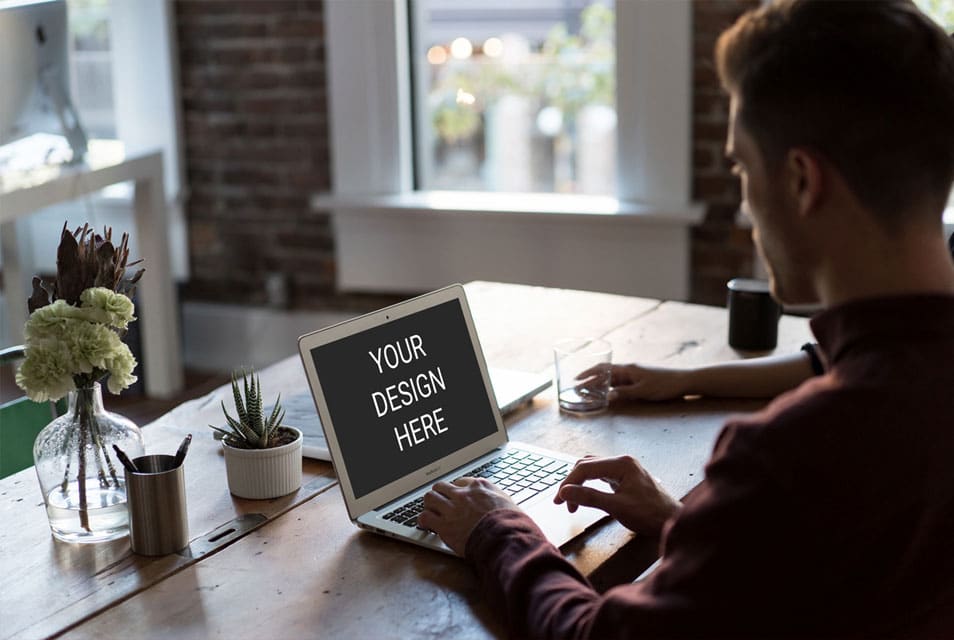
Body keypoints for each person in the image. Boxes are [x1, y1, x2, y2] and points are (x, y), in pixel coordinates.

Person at [419, 1, 954, 637]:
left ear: (803, 181)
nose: (745, 211)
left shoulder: (795, 456)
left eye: (741, 168)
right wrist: (693, 529)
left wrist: (496, 531)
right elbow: (841, 579)